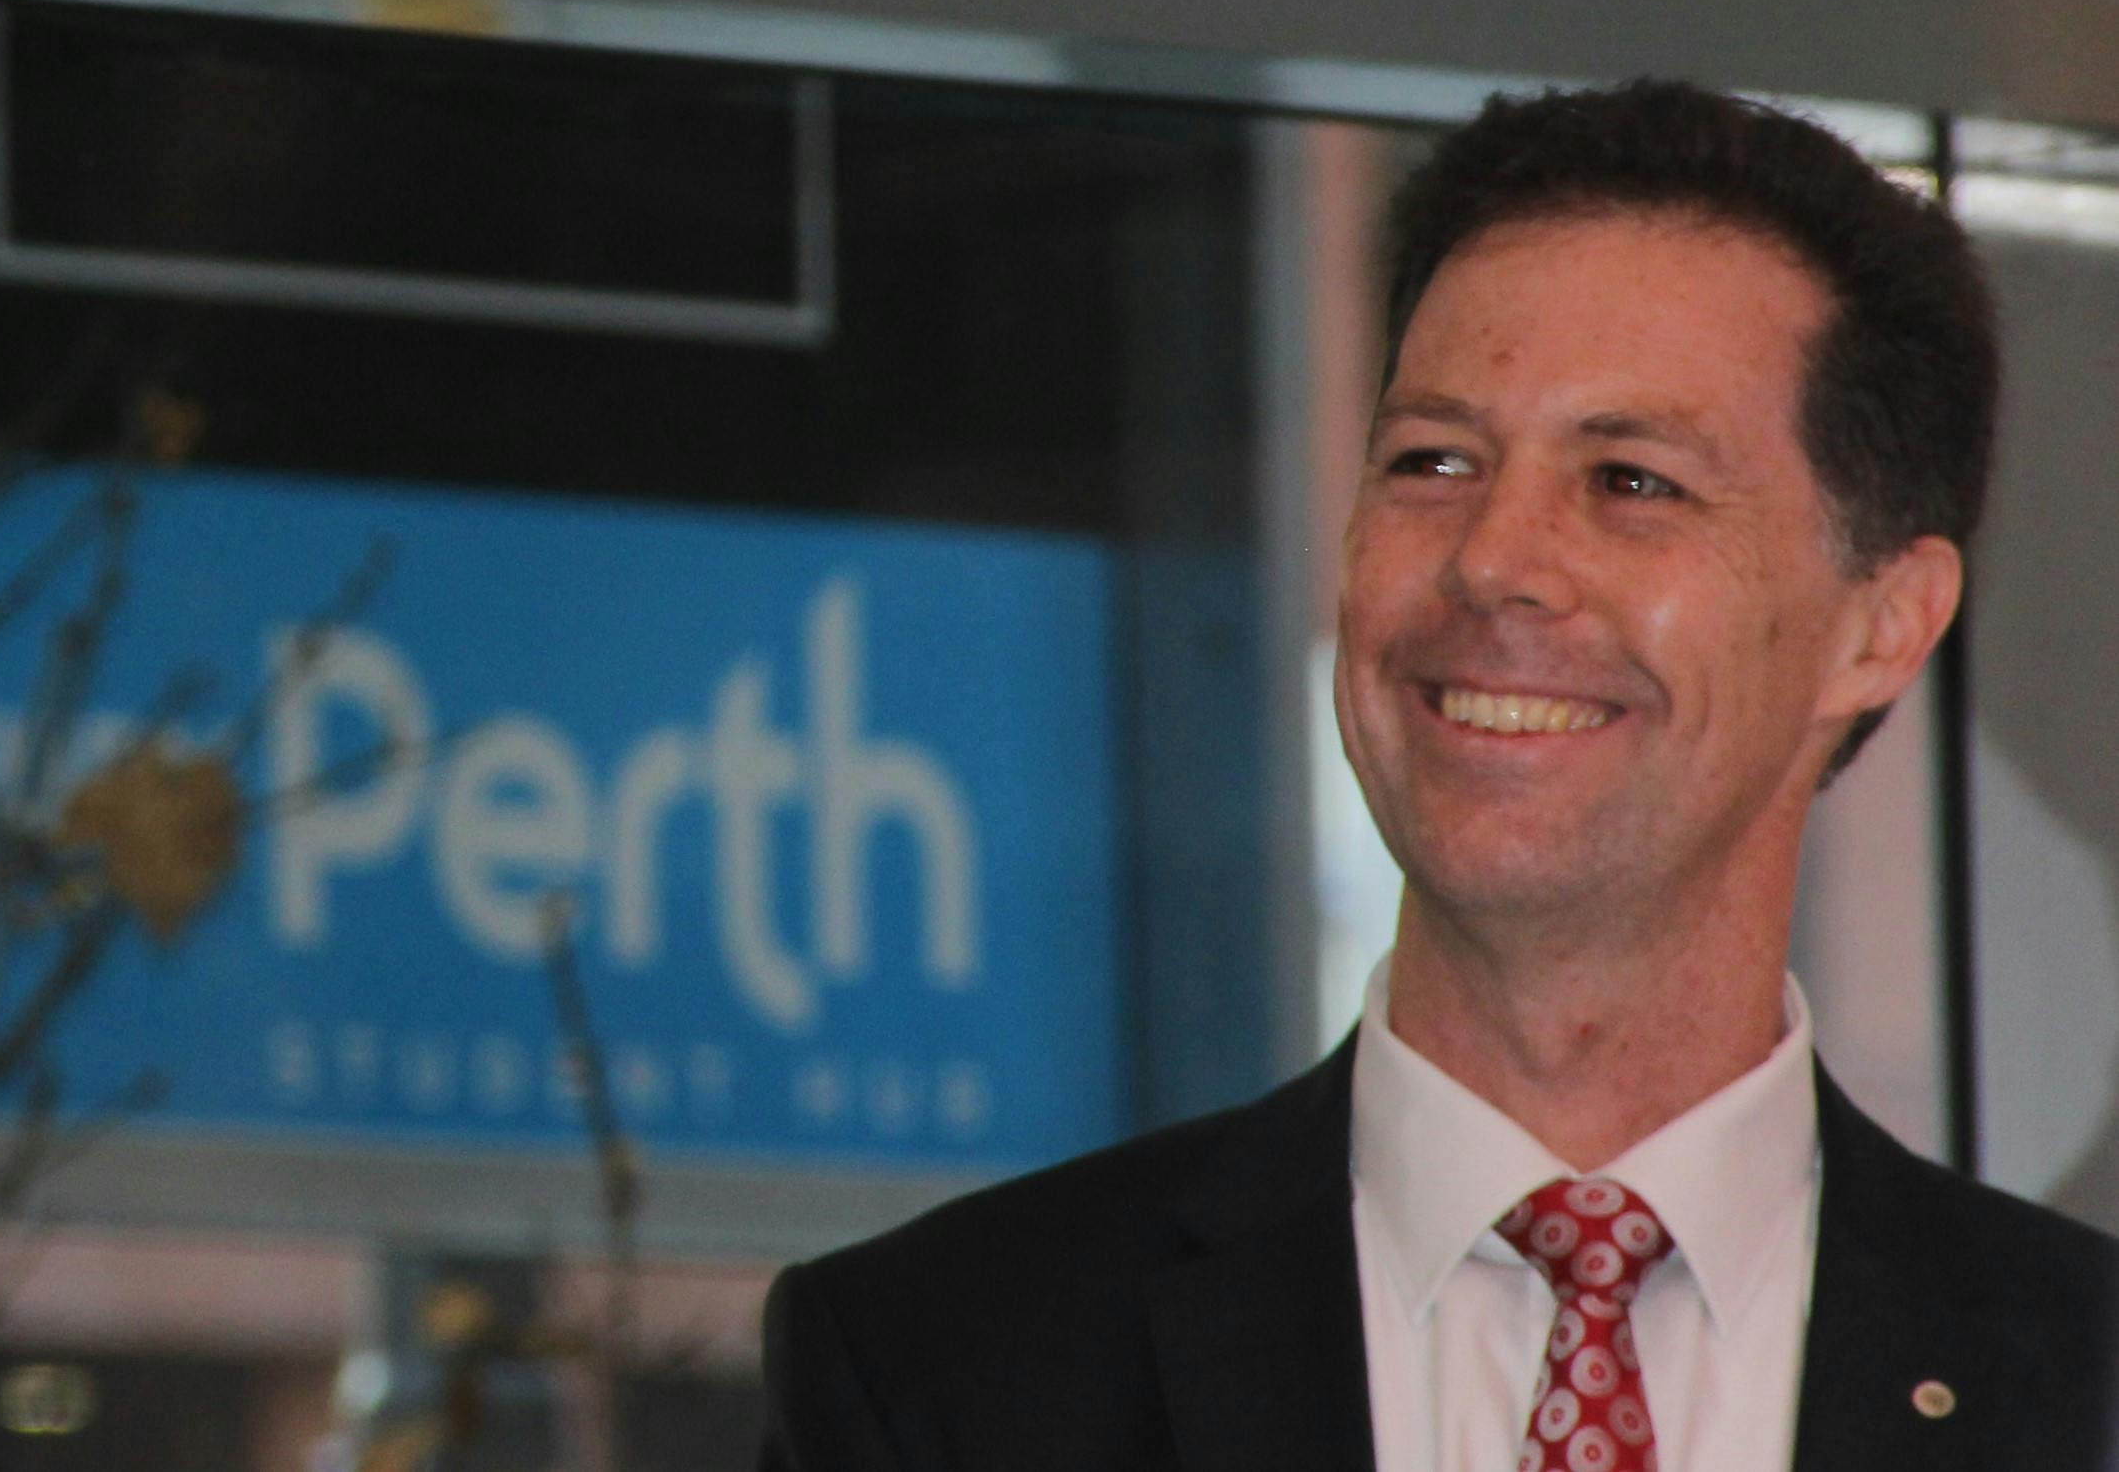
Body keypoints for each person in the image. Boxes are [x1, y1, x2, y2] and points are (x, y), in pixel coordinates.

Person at [759, 80, 2118, 1470]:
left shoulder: (2081, 1387)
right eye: (1435, 459)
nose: (1493, 560)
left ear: (1878, 627)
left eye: (1630, 482)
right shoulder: (945, 1371)